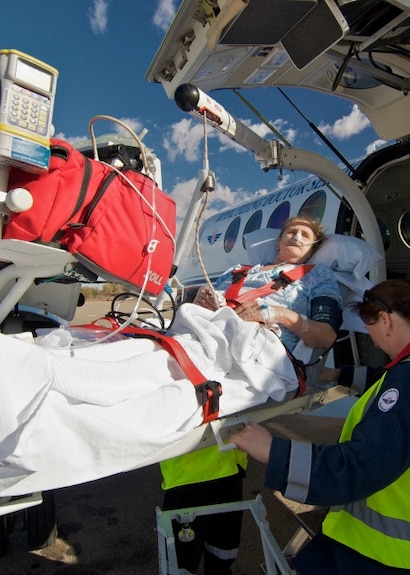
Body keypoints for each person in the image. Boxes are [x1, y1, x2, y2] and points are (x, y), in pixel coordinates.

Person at [229, 279, 410, 574]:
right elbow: (389, 381)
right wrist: (338, 373)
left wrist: (274, 451)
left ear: (386, 320)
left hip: (400, 554)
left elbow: (358, 467)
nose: (374, 342)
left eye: (371, 331)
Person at [160, 215, 343, 575]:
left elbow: (325, 336)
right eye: (291, 230)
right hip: (213, 338)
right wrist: (206, 302)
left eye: (305, 234)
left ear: (312, 249)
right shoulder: (243, 272)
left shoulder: (316, 278)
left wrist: (277, 314)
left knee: (176, 394)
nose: (295, 235)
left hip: (261, 354)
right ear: (278, 241)